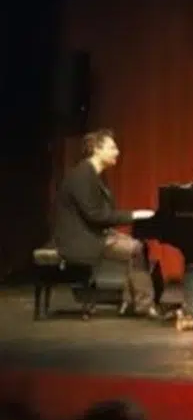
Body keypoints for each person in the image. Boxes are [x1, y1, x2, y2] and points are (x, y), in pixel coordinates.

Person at [51, 129, 159, 318]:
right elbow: (96, 215)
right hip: (80, 239)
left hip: (91, 233)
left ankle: (130, 302)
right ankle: (143, 304)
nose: (117, 152)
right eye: (112, 148)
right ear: (97, 149)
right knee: (135, 249)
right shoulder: (82, 176)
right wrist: (134, 215)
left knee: (139, 247)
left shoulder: (92, 175)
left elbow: (99, 215)